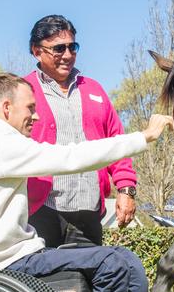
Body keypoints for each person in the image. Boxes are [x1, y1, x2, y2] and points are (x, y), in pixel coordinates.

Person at [0, 73, 174, 292]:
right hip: (8, 265)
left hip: (15, 258)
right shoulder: (1, 145)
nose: (36, 115)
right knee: (113, 264)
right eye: (30, 108)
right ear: (6, 108)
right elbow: (72, 157)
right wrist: (144, 136)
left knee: (127, 260)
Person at [24, 14, 137, 247]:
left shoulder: (94, 90)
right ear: (37, 51)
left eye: (72, 47)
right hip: (40, 210)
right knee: (41, 281)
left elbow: (117, 144)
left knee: (86, 280)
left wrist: (126, 189)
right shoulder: (23, 91)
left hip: (88, 211)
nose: (67, 55)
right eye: (58, 48)